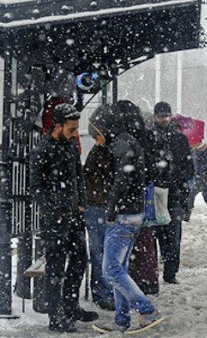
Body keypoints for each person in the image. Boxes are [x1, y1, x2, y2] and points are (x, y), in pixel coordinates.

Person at [90, 103, 164, 333]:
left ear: (104, 128)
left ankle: (147, 310)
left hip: (124, 214)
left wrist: (111, 208)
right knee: (119, 268)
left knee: (110, 270)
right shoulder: (129, 141)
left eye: (96, 134)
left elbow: (122, 180)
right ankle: (121, 321)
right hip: (134, 213)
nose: (96, 140)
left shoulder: (121, 145)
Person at [29, 103, 98, 333]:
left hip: (74, 215)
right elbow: (36, 187)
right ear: (57, 126)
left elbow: (78, 174)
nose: (75, 133)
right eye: (71, 129)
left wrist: (82, 202)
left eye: (76, 128)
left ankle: (70, 305)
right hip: (56, 219)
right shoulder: (42, 150)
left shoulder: (69, 146)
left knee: (80, 260)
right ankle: (55, 314)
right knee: (56, 268)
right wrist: (54, 209)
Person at [116, 100, 159, 296]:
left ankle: (132, 281)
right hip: (143, 195)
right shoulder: (147, 135)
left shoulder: (123, 139)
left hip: (127, 199)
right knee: (145, 239)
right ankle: (148, 280)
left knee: (126, 244)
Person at [151, 101, 194, 284]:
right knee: (156, 235)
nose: (164, 119)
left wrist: (176, 177)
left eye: (167, 116)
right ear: (155, 117)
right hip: (156, 193)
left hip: (173, 193)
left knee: (172, 236)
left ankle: (170, 272)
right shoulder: (149, 137)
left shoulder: (179, 139)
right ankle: (155, 271)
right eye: (161, 116)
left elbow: (189, 168)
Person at [83, 105, 116, 311]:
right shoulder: (105, 151)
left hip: (97, 205)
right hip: (99, 206)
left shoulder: (101, 151)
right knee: (101, 252)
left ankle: (102, 290)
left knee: (100, 252)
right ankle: (102, 291)